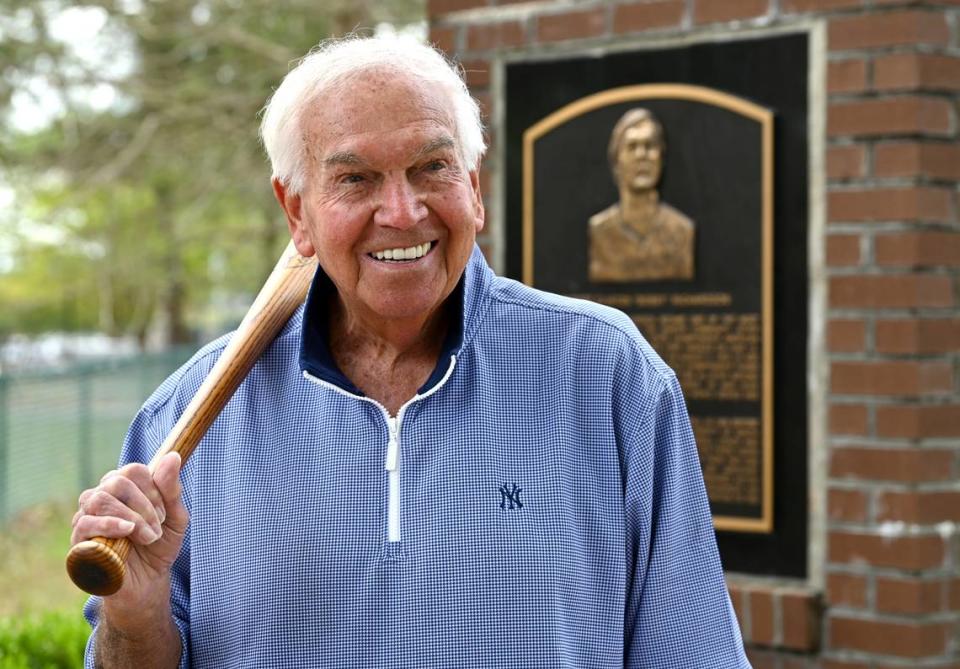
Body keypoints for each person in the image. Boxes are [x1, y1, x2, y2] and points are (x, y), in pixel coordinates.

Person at [73, 34, 750, 668]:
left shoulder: (609, 377)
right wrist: (134, 617)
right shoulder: (183, 421)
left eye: (431, 167)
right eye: (356, 179)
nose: (401, 211)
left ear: (474, 189)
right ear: (295, 213)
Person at [589, 108, 696, 282]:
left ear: (661, 157)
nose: (641, 156)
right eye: (632, 147)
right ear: (616, 161)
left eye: (650, 146)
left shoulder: (682, 230)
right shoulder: (600, 230)